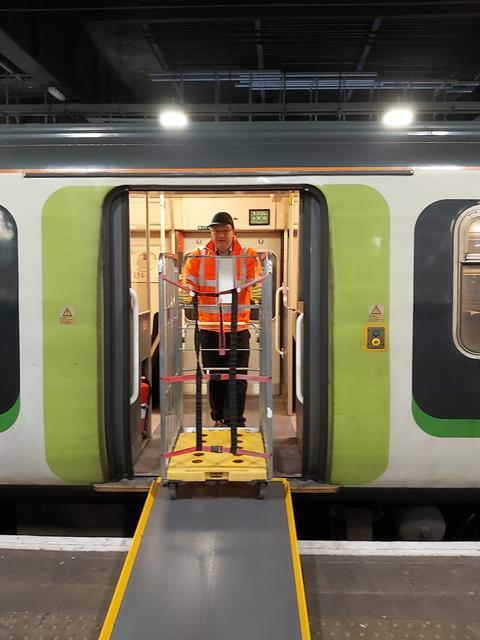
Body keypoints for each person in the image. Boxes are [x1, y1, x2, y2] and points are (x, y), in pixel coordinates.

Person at [180, 211, 262, 427]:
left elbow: (259, 282)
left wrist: (258, 293)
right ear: (211, 232)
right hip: (209, 328)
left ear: (233, 231)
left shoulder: (248, 253)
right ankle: (219, 419)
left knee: (238, 377)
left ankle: (235, 420)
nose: (221, 235)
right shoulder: (196, 255)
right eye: (216, 230)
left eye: (225, 230)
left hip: (238, 327)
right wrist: (187, 292)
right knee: (215, 378)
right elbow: (188, 285)